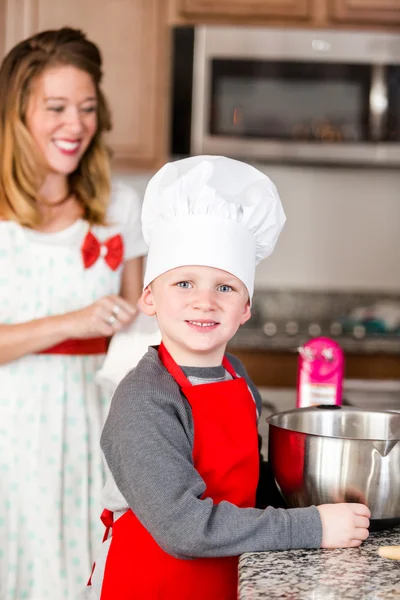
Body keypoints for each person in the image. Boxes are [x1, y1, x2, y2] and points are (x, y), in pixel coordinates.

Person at [85, 156, 371, 600]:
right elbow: (185, 529)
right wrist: (312, 525)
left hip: (229, 577)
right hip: (153, 583)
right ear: (148, 298)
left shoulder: (235, 375)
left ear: (246, 308)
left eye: (225, 287)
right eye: (183, 284)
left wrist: (319, 497)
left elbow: (248, 483)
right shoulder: (144, 398)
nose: (205, 302)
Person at [0, 27, 147, 600]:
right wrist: (73, 322)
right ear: (17, 113)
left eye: (86, 108)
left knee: (90, 563)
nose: (76, 124)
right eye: (56, 107)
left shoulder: (119, 205)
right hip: (14, 424)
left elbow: (140, 323)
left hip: (99, 419)